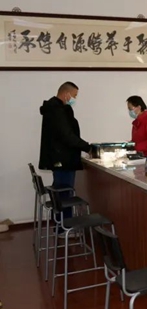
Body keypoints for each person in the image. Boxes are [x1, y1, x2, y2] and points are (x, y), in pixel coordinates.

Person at [39, 81, 91, 220]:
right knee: (64, 196)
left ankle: (60, 225)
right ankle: (64, 226)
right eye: (74, 95)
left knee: (60, 194)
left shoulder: (54, 108)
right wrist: (88, 147)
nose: (75, 98)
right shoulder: (58, 110)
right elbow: (67, 136)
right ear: (66, 94)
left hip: (59, 158)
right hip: (63, 159)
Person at [126, 95, 147, 160]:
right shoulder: (136, 123)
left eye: (131, 109)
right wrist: (129, 145)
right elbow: (136, 140)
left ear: (139, 107)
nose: (130, 112)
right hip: (139, 158)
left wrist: (135, 146)